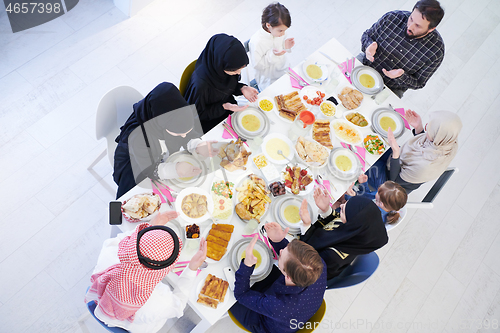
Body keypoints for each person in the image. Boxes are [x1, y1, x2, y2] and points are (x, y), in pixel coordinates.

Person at [84, 211, 207, 333]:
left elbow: (123, 240)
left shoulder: (110, 251)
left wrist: (149, 229)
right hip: (137, 327)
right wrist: (192, 268)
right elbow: (178, 304)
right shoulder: (159, 302)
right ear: (166, 269)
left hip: (99, 299)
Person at [113, 82, 217, 199]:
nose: (183, 136)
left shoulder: (173, 113)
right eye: (179, 133)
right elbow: (149, 170)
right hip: (136, 165)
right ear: (161, 124)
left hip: (160, 155)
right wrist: (175, 169)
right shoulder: (138, 137)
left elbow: (186, 131)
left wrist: (197, 145)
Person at [231, 233, 326, 333]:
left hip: (262, 322)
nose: (280, 250)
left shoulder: (279, 306)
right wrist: (278, 240)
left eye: (280, 255)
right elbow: (294, 258)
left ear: (288, 276)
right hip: (287, 303)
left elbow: (241, 294)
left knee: (228, 291)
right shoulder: (319, 264)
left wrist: (247, 266)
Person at [359, 0, 445, 97]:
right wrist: (368, 46)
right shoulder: (393, 17)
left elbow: (419, 82)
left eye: (417, 25)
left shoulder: (436, 52)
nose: (410, 27)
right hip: (364, 65)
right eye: (411, 19)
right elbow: (367, 35)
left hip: (390, 88)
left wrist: (401, 76)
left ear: (431, 29)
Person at [367, 109, 462, 194]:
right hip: (399, 161)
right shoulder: (447, 140)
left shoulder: (424, 167)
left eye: (429, 127)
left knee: (365, 160)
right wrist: (419, 128)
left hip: (391, 186)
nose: (426, 127)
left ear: (437, 136)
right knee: (374, 145)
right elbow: (426, 146)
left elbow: (394, 180)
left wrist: (396, 153)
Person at [299, 193, 388, 279]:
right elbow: (336, 221)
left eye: (343, 210)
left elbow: (304, 259)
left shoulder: (333, 257)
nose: (341, 206)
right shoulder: (354, 231)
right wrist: (326, 210)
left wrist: (306, 226)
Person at [184, 33, 259, 133]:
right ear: (220, 64)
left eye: (241, 69)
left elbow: (228, 86)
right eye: (235, 70)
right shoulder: (200, 86)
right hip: (208, 120)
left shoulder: (220, 69)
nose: (238, 73)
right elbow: (197, 115)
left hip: (227, 107)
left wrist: (242, 88)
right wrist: (224, 107)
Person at [249, 2, 295, 91]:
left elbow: (280, 49)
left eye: (284, 30)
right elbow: (257, 65)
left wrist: (285, 46)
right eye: (281, 30)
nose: (283, 33)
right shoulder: (256, 42)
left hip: (283, 69)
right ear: (268, 25)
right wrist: (273, 55)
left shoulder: (278, 33)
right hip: (268, 79)